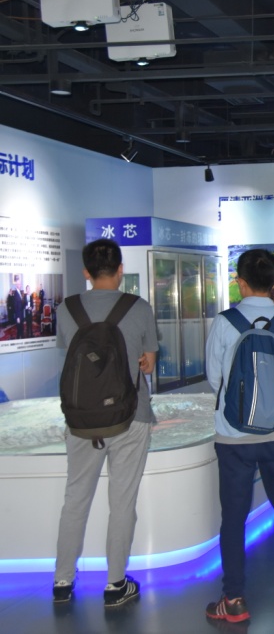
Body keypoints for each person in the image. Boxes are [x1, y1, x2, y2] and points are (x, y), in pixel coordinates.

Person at [51, 238, 158, 607]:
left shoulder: (67, 309)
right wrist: (141, 359)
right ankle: (115, 585)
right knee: (122, 502)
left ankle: (62, 581)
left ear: (86, 272)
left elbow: (71, 357)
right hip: (131, 417)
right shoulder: (138, 307)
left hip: (81, 420)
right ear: (120, 269)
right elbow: (148, 364)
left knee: (75, 499)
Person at [204, 248, 274, 623]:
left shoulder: (224, 323)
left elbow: (215, 378)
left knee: (233, 518)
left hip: (233, 436)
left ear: (240, 282)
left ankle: (233, 600)